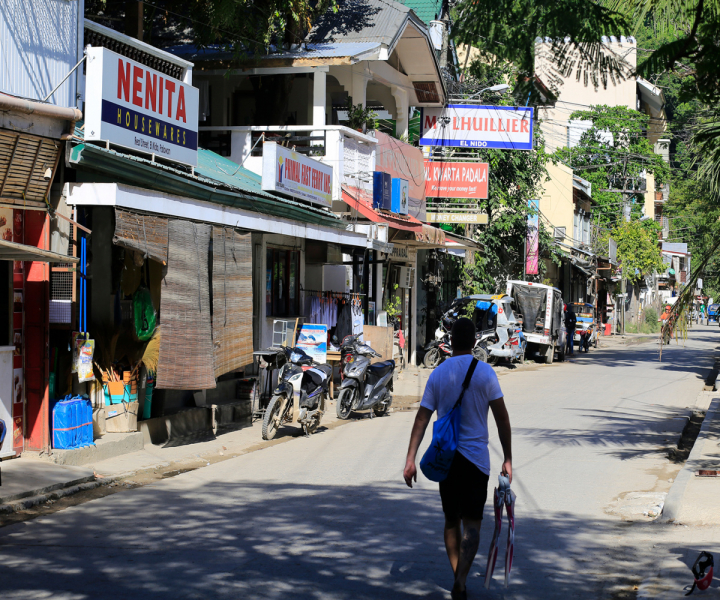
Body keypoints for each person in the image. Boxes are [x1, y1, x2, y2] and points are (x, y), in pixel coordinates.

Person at [403, 318, 512, 600]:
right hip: (476, 462)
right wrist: (508, 458)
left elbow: (422, 420)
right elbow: (502, 419)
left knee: (451, 520)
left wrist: (410, 458)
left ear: (451, 341)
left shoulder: (437, 374)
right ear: (475, 341)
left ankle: (458, 579)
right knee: (472, 524)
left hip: (446, 460)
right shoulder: (486, 373)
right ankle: (461, 579)